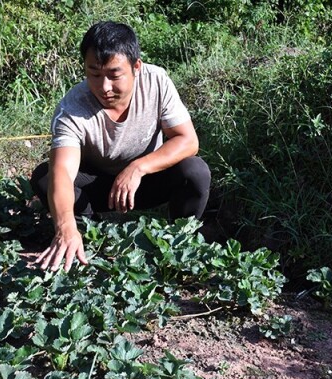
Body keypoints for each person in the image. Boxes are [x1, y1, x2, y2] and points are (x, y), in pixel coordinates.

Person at [31, 21, 211, 272]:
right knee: (45, 176)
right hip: (97, 186)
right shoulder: (72, 108)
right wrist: (65, 227)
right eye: (94, 74)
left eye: (114, 75)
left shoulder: (156, 81)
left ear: (136, 67)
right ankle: (87, 235)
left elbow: (188, 140)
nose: (104, 87)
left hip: (145, 181)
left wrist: (138, 168)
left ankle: (179, 242)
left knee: (195, 171)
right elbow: (62, 171)